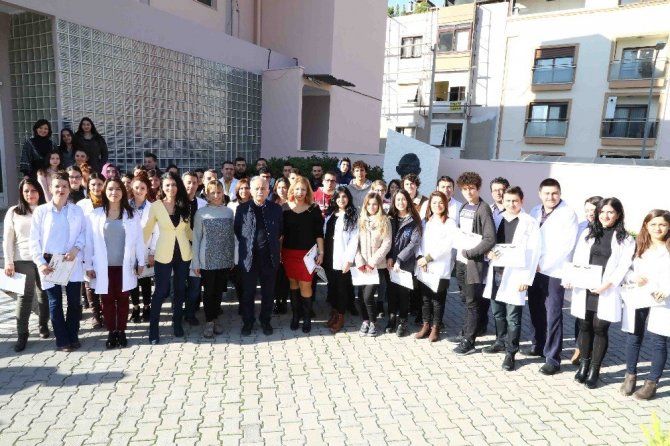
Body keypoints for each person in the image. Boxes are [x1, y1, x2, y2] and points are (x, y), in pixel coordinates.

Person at [568, 198, 634, 388]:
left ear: (618, 214)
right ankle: (584, 365)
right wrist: (574, 277)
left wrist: (607, 284)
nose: (605, 216)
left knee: (600, 328)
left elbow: (623, 266)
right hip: (586, 288)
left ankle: (595, 370)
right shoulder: (588, 233)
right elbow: (578, 258)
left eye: (610, 212)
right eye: (602, 212)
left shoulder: (625, 239)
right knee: (584, 325)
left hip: (607, 289)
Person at [482, 187, 541, 370]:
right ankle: (500, 342)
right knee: (497, 312)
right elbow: (488, 241)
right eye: (508, 200)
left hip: (516, 275)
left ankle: (511, 352)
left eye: (515, 200)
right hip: (496, 272)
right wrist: (488, 253)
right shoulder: (497, 218)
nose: (511, 204)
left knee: (513, 317)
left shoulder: (529, 223)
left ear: (522, 201)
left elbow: (534, 252)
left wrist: (527, 279)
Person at [526, 178, 579, 375]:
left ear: (560, 193)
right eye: (547, 193)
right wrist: (531, 264)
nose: (551, 197)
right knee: (535, 309)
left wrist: (543, 265)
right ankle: (538, 344)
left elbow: (566, 245)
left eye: (554, 193)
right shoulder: (534, 210)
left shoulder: (568, 214)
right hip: (534, 270)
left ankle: (553, 358)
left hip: (554, 271)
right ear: (540, 194)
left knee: (553, 314)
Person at [85, 178, 145, 349]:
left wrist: (141, 261)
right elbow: (89, 242)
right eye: (110, 189)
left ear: (123, 192)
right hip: (103, 266)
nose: (114, 192)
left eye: (118, 189)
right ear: (104, 191)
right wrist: (88, 265)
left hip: (125, 265)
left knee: (124, 299)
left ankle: (122, 330)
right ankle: (112, 331)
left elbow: (139, 241)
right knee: (107, 300)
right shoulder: (95, 215)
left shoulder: (132, 214)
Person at [29, 172, 86, 352]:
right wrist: (40, 263)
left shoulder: (77, 210)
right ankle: (62, 340)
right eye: (57, 186)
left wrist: (76, 248)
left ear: (69, 189)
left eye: (64, 186)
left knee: (74, 302)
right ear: (50, 188)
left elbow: (84, 233)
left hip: (70, 260)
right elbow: (34, 240)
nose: (61, 189)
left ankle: (73, 335)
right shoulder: (41, 211)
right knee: (55, 303)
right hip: (50, 262)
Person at [620, 210, 670, 400]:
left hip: (662, 299)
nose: (658, 228)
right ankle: (630, 376)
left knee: (658, 340)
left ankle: (651, 383)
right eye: (653, 224)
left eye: (662, 224)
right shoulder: (638, 245)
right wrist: (634, 276)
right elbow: (624, 269)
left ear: (669, 226)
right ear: (646, 226)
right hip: (639, 295)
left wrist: (667, 288)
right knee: (634, 336)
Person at [143, 172, 193, 344]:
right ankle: (153, 330)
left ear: (178, 186)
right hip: (163, 253)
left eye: (174, 185)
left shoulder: (185, 205)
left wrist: (201, 242)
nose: (171, 188)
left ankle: (177, 324)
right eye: (167, 185)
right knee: (160, 291)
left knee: (180, 290)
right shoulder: (156, 206)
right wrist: (138, 253)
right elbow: (147, 230)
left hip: (183, 254)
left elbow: (188, 231)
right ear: (162, 187)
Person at [450, 172, 496, 355]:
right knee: (465, 299)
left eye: (471, 188)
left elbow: (490, 238)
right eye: (464, 189)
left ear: (478, 188)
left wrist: (470, 253)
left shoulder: (483, 209)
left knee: (472, 302)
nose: (468, 192)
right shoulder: (463, 207)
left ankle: (469, 341)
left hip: (473, 263)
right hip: (461, 261)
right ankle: (467, 331)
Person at [3, 179, 49, 351]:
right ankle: (22, 333)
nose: (30, 194)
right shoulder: (14, 212)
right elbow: (8, 239)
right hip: (22, 259)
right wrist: (9, 261)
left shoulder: (46, 210)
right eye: (26, 191)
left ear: (39, 191)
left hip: (43, 259)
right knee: (25, 297)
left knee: (44, 293)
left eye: (34, 190)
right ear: (21, 194)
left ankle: (43, 325)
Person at [235, 176, 283, 336]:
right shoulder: (242, 209)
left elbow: (279, 231)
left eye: (263, 188)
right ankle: (248, 322)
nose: (260, 191)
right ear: (251, 190)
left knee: (268, 293)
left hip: (269, 258)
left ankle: (265, 321)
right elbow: (238, 231)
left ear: (268, 190)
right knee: (248, 293)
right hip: (249, 259)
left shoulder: (276, 209)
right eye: (257, 188)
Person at [191, 180, 235, 338]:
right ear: (207, 195)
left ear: (223, 193)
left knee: (218, 291)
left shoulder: (229, 212)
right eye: (212, 193)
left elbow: (231, 237)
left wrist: (232, 258)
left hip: (224, 258)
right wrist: (196, 262)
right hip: (207, 259)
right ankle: (209, 321)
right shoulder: (201, 213)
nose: (216, 195)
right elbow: (196, 238)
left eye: (219, 192)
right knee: (209, 291)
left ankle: (215, 318)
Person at [282, 176, 324, 333]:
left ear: (308, 191)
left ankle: (306, 318)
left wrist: (321, 252)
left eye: (303, 189)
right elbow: (281, 234)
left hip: (307, 255)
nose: (300, 192)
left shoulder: (314, 208)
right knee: (293, 284)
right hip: (288, 253)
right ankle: (295, 316)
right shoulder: (285, 208)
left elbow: (319, 233)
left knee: (305, 285)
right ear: (292, 190)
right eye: (297, 189)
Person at [415, 191, 459, 342]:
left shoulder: (450, 223)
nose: (437, 205)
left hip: (440, 267)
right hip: (424, 266)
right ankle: (426, 325)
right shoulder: (425, 221)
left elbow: (445, 246)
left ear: (445, 204)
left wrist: (427, 259)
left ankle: (436, 327)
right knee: (425, 298)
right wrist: (420, 257)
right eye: (434, 202)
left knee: (437, 300)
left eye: (441, 202)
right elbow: (419, 241)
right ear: (429, 205)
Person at [385, 189, 421, 337]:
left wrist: (399, 259)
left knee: (403, 294)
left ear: (408, 201)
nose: (401, 202)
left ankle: (403, 321)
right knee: (391, 292)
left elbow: (414, 243)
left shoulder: (414, 220)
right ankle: (392, 319)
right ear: (394, 201)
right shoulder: (390, 218)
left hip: (405, 263)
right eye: (398, 199)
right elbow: (386, 239)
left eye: (403, 199)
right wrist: (389, 257)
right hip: (390, 262)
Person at [355, 192, 391, 337]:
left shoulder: (384, 220)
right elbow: (355, 243)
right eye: (369, 204)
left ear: (379, 205)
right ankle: (365, 321)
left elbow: (387, 243)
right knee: (360, 295)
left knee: (368, 296)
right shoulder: (360, 220)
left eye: (375, 204)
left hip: (375, 266)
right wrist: (359, 261)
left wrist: (372, 262)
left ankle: (373, 322)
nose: (371, 206)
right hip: (361, 266)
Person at [572, 195, 603, 365]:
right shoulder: (580, 227)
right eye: (587, 210)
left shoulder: (608, 230)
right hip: (582, 278)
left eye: (593, 210)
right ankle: (580, 347)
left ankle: (592, 351)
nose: (590, 213)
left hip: (599, 281)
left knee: (597, 321)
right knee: (581, 317)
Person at [323, 186, 359, 334]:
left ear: (348, 198)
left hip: (342, 258)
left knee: (342, 288)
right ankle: (334, 312)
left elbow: (354, 239)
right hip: (329, 257)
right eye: (338, 197)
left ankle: (340, 317)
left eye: (344, 197)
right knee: (332, 286)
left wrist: (349, 260)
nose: (341, 199)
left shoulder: (352, 215)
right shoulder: (331, 214)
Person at [129, 172, 157, 323]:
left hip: (146, 250)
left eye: (142, 188)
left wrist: (153, 252)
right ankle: (135, 307)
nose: (138, 191)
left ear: (147, 190)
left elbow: (156, 232)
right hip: (130, 251)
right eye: (136, 188)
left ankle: (147, 307)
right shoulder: (125, 206)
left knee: (145, 281)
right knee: (132, 280)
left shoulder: (153, 208)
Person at [78, 172, 105, 328]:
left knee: (104, 282)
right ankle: (96, 315)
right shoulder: (82, 205)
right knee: (89, 281)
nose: (96, 187)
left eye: (100, 184)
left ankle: (106, 312)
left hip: (104, 247)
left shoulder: (109, 202)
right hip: (87, 247)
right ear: (88, 186)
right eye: (93, 184)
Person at [182, 171, 207, 326]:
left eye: (194, 182)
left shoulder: (203, 204)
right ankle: (178, 313)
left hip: (196, 250)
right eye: (188, 182)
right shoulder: (175, 203)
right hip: (178, 251)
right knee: (178, 286)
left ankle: (190, 313)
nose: (191, 186)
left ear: (198, 184)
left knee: (195, 284)